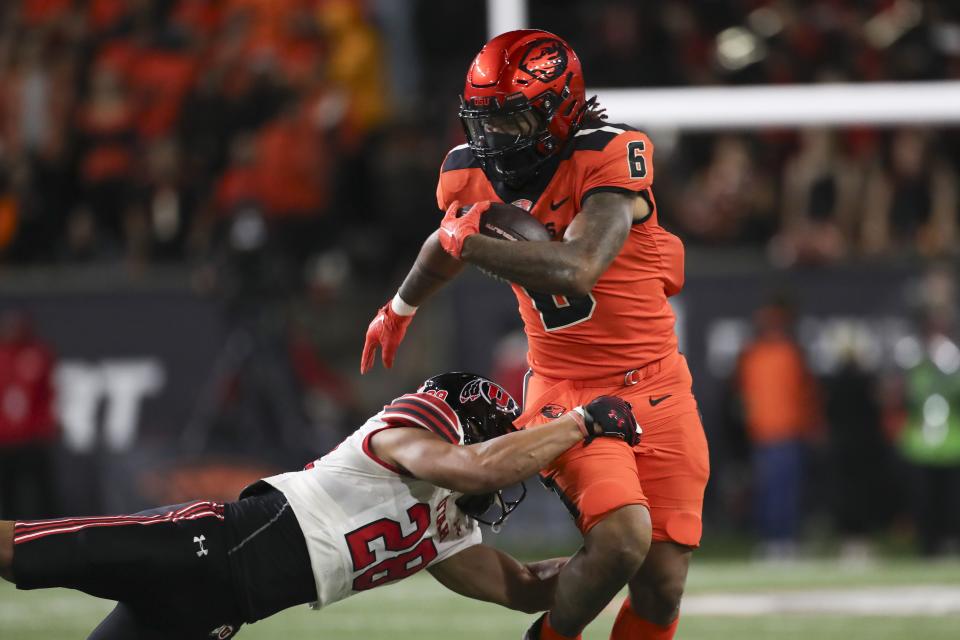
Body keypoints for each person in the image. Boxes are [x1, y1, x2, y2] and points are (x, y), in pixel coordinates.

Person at [361, 30, 709, 640]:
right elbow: (442, 246)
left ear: (560, 109)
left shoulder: (608, 156)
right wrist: (399, 306)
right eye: (483, 121)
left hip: (660, 387)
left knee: (662, 586)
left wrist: (467, 242)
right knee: (622, 539)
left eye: (512, 119)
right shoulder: (467, 175)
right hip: (567, 391)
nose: (493, 139)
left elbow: (578, 267)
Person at [0, 372, 640, 639]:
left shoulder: (445, 530)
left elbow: (525, 587)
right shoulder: (405, 435)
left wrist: (611, 559)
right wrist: (582, 423)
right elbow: (476, 464)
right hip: (206, 550)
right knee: (21, 550)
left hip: (219, 613)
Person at [735, 299, 821, 559]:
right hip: (766, 434)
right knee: (771, 491)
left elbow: (804, 395)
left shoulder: (784, 355)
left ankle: (784, 539)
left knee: (785, 491)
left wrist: (809, 425)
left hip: (786, 433)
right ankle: (773, 540)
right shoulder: (754, 357)